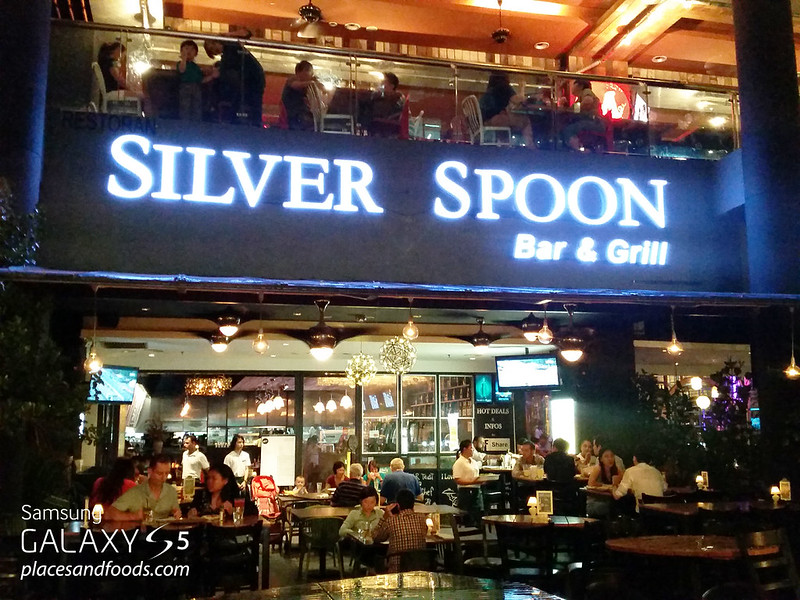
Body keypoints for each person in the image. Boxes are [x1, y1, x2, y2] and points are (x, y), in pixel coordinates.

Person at [203, 31, 265, 126]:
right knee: (250, 102)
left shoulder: (230, 48)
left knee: (252, 102)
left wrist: (228, 35)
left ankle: (249, 122)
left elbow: (247, 33)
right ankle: (251, 122)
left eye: (213, 47)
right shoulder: (230, 49)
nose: (215, 51)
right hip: (250, 79)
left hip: (251, 79)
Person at [107, 455, 181, 520]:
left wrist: (177, 513)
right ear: (150, 471)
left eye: (167, 473)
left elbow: (176, 512)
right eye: (159, 473)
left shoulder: (171, 491)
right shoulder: (135, 493)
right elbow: (109, 514)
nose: (164, 477)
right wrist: (134, 516)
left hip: (165, 531)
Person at [372, 489, 428, 573]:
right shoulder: (422, 518)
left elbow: (376, 537)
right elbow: (425, 531)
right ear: (413, 504)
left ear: (397, 505)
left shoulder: (391, 520)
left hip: (397, 569)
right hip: (419, 568)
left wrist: (385, 517)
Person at [478, 72, 533, 146]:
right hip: (496, 119)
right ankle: (529, 145)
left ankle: (505, 143)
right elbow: (517, 100)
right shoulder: (505, 88)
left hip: (485, 121)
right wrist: (522, 89)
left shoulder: (489, 91)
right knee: (525, 121)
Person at [562, 80, 606, 151]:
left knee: (569, 129)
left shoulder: (586, 91)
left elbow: (588, 101)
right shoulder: (580, 98)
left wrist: (574, 110)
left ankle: (578, 150)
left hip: (593, 122)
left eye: (573, 85)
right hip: (592, 122)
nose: (572, 87)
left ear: (580, 86)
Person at [176, 39, 211, 121]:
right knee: (185, 105)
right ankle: (184, 121)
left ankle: (196, 121)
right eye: (186, 49)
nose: (189, 51)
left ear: (196, 53)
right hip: (185, 87)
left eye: (192, 49)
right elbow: (182, 70)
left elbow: (200, 79)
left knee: (197, 105)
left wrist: (211, 76)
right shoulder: (180, 63)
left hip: (196, 87)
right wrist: (184, 59)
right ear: (181, 51)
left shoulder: (196, 67)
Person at [362, 72, 405, 136]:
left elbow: (399, 115)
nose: (381, 84)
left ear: (391, 86)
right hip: (375, 130)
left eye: (384, 82)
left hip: (389, 131)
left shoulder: (399, 99)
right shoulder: (375, 98)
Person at [452, 439, 483, 527]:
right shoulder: (459, 463)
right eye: (471, 448)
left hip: (477, 490)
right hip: (466, 492)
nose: (472, 450)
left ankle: (479, 531)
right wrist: (472, 481)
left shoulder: (473, 462)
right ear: (464, 449)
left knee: (478, 513)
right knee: (468, 516)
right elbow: (457, 479)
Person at [281, 60, 319, 131]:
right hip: (294, 115)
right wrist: (311, 83)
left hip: (299, 114)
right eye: (310, 71)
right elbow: (295, 85)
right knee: (316, 123)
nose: (312, 74)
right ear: (302, 71)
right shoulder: (293, 79)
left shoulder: (305, 85)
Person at [586, 448, 623, 518]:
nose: (610, 459)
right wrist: (605, 486)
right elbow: (590, 483)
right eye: (606, 456)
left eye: (612, 456)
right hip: (596, 501)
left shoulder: (616, 469)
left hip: (610, 499)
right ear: (601, 459)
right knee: (612, 507)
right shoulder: (598, 468)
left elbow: (623, 480)